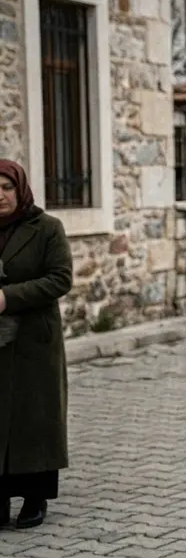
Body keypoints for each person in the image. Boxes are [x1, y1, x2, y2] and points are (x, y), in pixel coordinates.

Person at [0, 160, 73, 530]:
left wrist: (7, 297)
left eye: (6, 186)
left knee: (34, 419)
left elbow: (60, 278)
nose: (0, 195)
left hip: (34, 341)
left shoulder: (46, 228)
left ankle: (35, 497)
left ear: (21, 189)